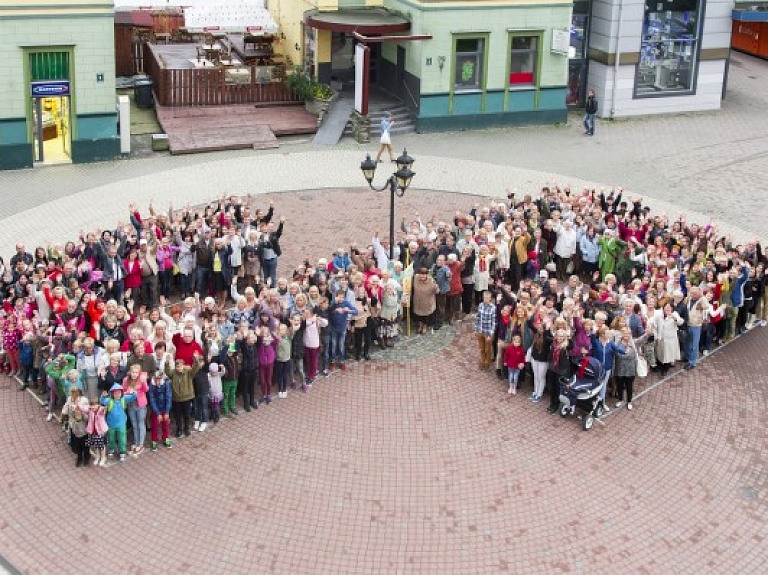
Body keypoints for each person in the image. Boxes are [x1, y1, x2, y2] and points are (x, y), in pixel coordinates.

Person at [100, 382, 137, 462]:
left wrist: (133, 391)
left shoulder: (124, 399)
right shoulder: (109, 400)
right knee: (111, 438)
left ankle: (122, 452)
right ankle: (111, 449)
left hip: (121, 423)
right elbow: (102, 401)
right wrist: (102, 396)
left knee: (122, 438)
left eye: (119, 393)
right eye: (115, 393)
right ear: (112, 394)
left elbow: (133, 397)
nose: (117, 395)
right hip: (110, 424)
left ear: (121, 393)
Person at [147, 370, 172, 450]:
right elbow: (152, 399)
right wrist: (157, 413)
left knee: (165, 423)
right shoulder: (151, 385)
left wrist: (167, 412)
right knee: (154, 425)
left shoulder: (166, 384)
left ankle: (166, 438)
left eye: (159, 379)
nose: (157, 381)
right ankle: (154, 440)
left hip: (165, 407)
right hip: (156, 409)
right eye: (155, 379)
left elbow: (168, 397)